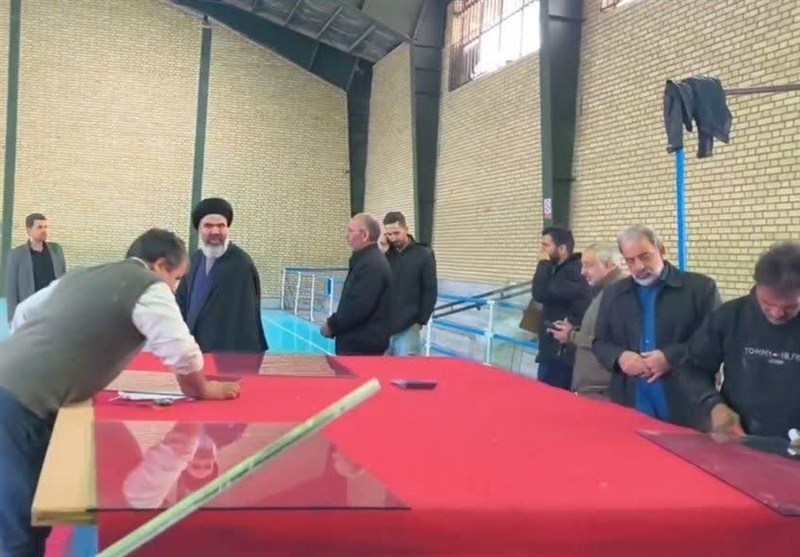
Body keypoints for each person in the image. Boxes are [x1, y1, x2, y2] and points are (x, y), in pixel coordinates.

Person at [0, 228, 240, 557]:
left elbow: (24, 313)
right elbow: (181, 351)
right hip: (21, 400)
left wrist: (43, 356)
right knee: (20, 524)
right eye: (177, 278)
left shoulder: (84, 275)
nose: (175, 288)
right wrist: (203, 389)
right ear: (160, 266)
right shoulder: (148, 286)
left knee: (18, 510)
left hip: (11, 380)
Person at [593, 224, 721, 426]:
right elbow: (600, 343)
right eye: (630, 260)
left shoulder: (700, 289)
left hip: (686, 404)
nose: (638, 267)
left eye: (645, 257)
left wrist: (670, 357)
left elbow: (714, 342)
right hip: (629, 403)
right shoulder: (613, 294)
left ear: (661, 249)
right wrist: (620, 357)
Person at [679, 241, 800, 438]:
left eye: (790, 306)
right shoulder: (730, 316)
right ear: (757, 285)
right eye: (767, 303)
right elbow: (692, 368)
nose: (777, 313)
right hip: (740, 437)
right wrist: (713, 405)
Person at [176, 198, 268, 353]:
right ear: (199, 229)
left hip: (226, 353)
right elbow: (182, 302)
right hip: (194, 349)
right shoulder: (194, 260)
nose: (215, 231)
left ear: (228, 228)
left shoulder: (240, 264)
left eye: (221, 226)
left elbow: (246, 319)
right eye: (208, 226)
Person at [548, 243, 625, 399]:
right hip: (595, 388)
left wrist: (571, 335)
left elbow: (609, 342)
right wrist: (573, 332)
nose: (582, 272)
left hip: (602, 391)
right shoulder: (606, 291)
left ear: (607, 265)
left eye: (588, 265)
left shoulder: (618, 294)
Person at [321, 213, 392, 355]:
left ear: (365, 235)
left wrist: (332, 325)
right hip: (359, 342)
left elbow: (358, 306)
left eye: (350, 230)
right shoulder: (366, 261)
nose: (346, 236)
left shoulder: (371, 265)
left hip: (362, 346)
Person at [531, 227, 592, 390]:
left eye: (546, 245)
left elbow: (539, 293)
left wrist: (543, 264)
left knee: (551, 396)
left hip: (561, 352)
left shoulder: (573, 272)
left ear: (562, 249)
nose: (542, 250)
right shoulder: (559, 269)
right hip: (552, 347)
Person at [382, 211, 437, 356]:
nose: (393, 238)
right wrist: (381, 253)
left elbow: (430, 290)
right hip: (383, 326)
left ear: (406, 229)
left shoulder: (423, 254)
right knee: (380, 368)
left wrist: (421, 320)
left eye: (396, 233)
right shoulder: (384, 255)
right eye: (389, 234)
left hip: (409, 327)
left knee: (408, 369)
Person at [4, 213, 67, 323]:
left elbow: (63, 279)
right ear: (29, 230)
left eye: (46, 227)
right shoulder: (17, 254)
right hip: (30, 310)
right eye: (39, 227)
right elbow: (12, 289)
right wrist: (12, 320)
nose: (44, 230)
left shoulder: (56, 250)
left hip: (53, 308)